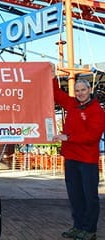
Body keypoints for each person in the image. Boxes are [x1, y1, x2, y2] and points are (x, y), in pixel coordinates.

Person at [52, 76, 105, 240]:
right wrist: (53, 76)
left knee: (89, 197)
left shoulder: (97, 111)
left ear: (89, 90)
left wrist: (68, 138)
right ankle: (78, 226)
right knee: (74, 195)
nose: (80, 93)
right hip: (71, 158)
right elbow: (56, 94)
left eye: (83, 90)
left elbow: (92, 136)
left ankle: (89, 230)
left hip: (87, 161)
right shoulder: (72, 104)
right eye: (77, 90)